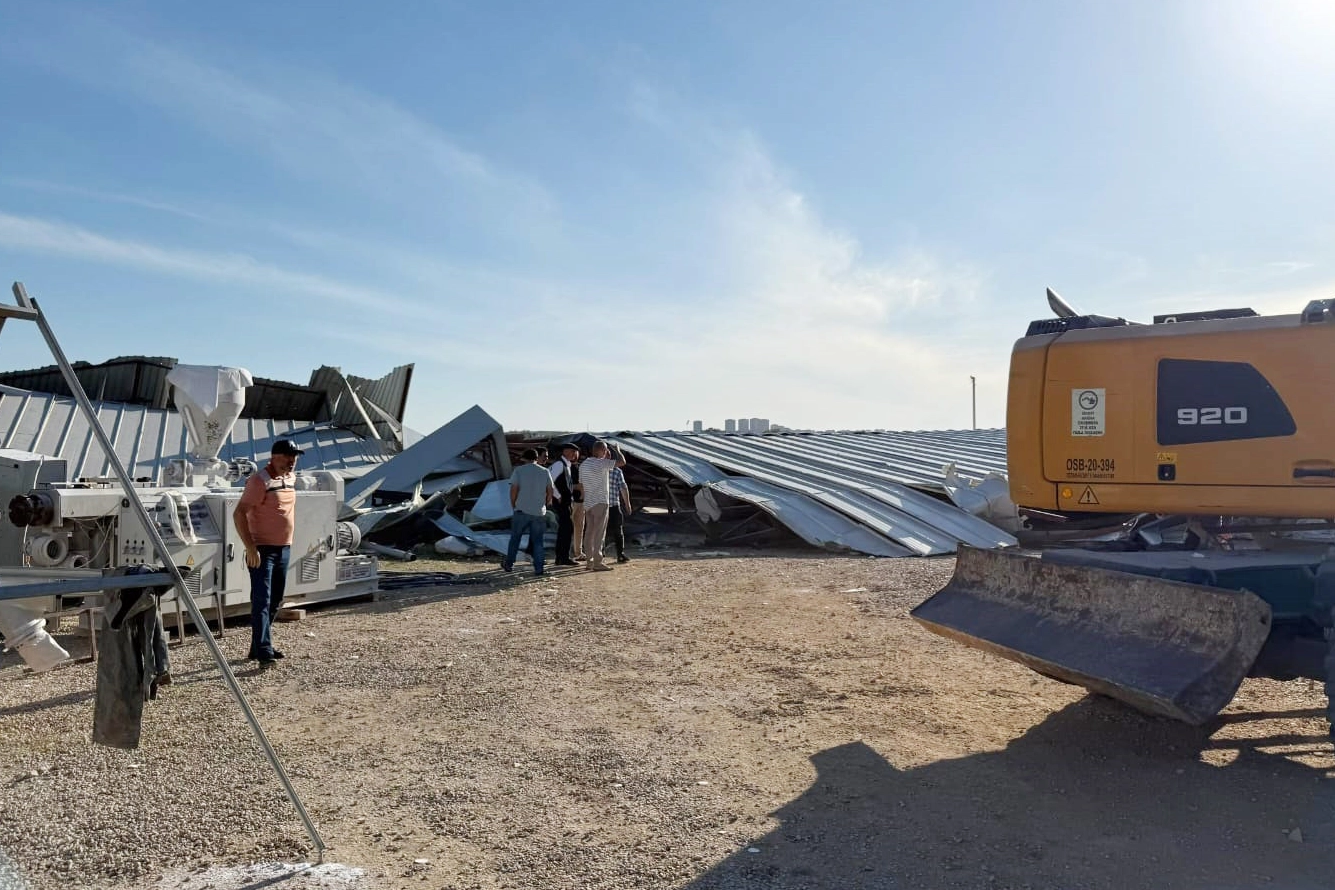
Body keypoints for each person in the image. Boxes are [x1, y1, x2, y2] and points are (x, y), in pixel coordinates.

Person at [234, 438, 302, 665]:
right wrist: (250, 547)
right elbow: (239, 513)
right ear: (274, 457)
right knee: (261, 599)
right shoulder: (259, 481)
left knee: (276, 598)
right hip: (262, 549)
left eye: (294, 457)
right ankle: (264, 650)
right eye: (287, 457)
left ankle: (258, 645)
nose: (292, 461)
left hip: (284, 547)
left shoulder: (291, 478)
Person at [503, 448, 555, 576]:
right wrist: (547, 502)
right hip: (538, 511)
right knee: (538, 541)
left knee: (515, 538)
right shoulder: (545, 471)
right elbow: (550, 489)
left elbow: (514, 489)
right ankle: (539, 568)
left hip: (521, 510)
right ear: (536, 458)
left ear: (524, 458)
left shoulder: (519, 471)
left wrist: (513, 504)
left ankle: (509, 564)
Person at [577, 440, 627, 571]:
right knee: (599, 533)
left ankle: (589, 561)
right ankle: (598, 562)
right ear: (602, 450)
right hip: (601, 501)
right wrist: (618, 450)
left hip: (588, 502)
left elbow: (581, 485)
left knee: (589, 533)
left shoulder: (583, 465)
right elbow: (622, 462)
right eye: (605, 451)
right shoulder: (601, 463)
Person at [549, 444, 580, 566]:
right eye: (572, 451)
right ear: (565, 451)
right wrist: (558, 495)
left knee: (566, 529)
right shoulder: (559, 464)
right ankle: (563, 557)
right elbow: (550, 480)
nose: (574, 454)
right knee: (566, 529)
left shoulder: (566, 465)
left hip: (566, 501)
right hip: (561, 502)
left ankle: (561, 557)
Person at [606, 464, 632, 564]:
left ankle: (620, 554)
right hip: (600, 505)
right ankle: (600, 554)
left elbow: (623, 487)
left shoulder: (617, 471)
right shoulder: (597, 469)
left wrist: (627, 504)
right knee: (600, 531)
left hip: (614, 505)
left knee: (618, 530)